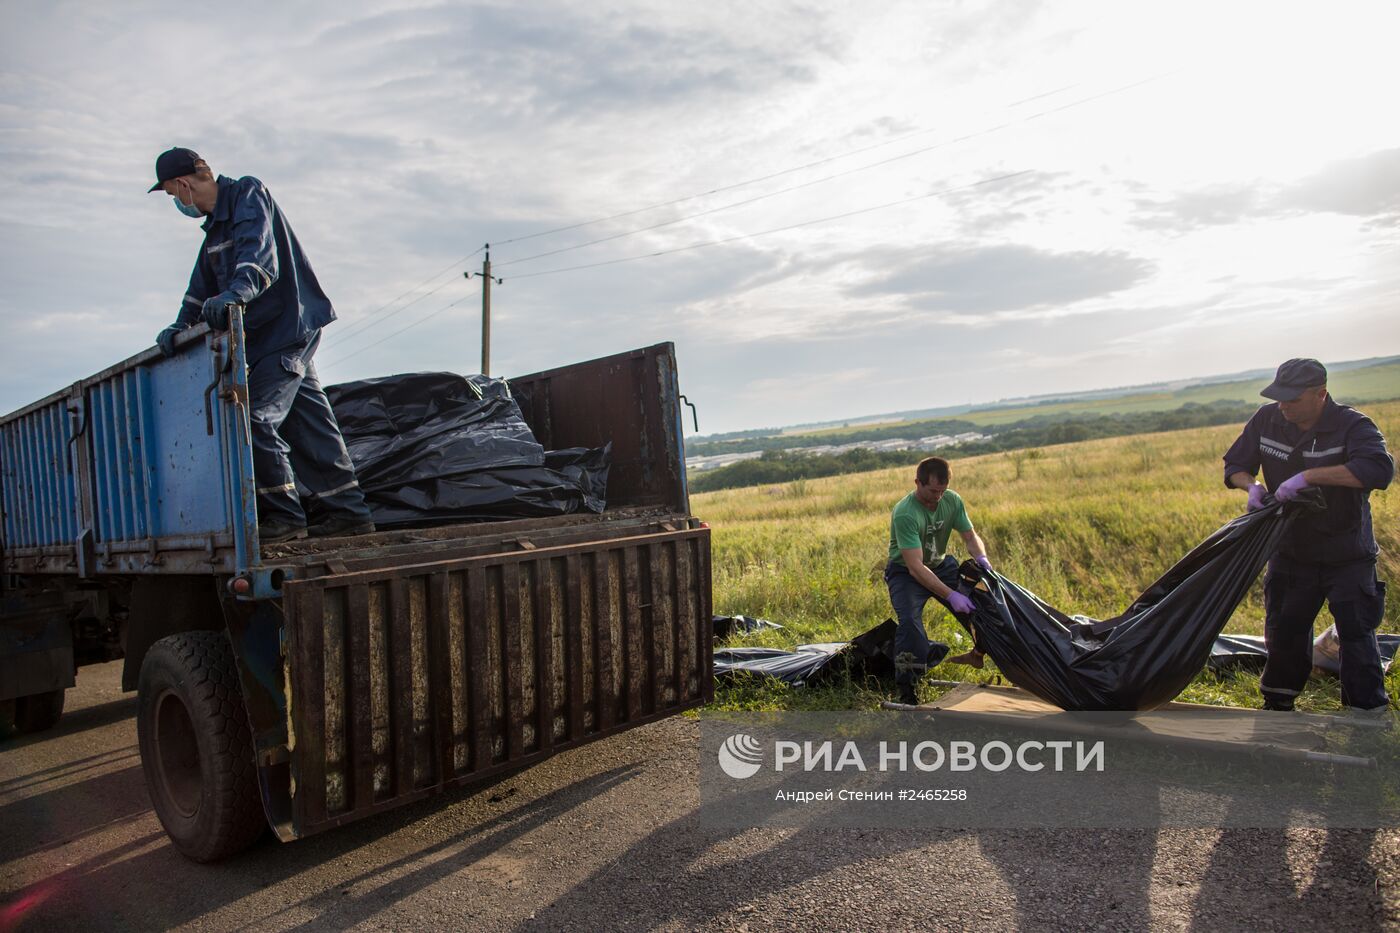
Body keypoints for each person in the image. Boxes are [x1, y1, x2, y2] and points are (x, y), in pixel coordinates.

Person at [149, 147, 375, 545]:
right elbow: (199, 291)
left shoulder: (248, 195)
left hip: (288, 328)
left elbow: (260, 258)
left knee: (254, 418)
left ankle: (285, 517)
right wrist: (180, 325)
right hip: (267, 339)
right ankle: (349, 513)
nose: (176, 204)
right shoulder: (215, 233)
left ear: (183, 184)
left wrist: (237, 293)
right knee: (309, 423)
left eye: (171, 195)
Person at [1223, 358, 1394, 711]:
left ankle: (1366, 716)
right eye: (1279, 397)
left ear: (1321, 394)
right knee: (1284, 631)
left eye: (1292, 399)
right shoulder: (1267, 419)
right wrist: (1252, 488)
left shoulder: (1353, 426)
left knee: (1356, 634)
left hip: (1346, 553)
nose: (1283, 405)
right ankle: (1279, 705)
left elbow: (1378, 471)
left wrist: (1309, 477)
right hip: (1289, 551)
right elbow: (1236, 465)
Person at [885, 456, 993, 705]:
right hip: (906, 573)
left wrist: (982, 557)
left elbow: (969, 536)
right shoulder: (905, 513)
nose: (938, 497)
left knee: (984, 608)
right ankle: (907, 689)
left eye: (943, 491)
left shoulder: (952, 500)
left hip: (942, 565)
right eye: (933, 491)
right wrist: (951, 595)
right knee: (910, 624)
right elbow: (915, 568)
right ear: (917, 483)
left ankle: (978, 653)